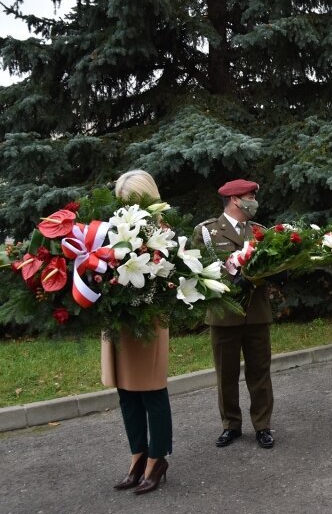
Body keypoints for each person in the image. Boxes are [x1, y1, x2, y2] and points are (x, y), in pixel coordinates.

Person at [193, 179, 275, 449]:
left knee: (260, 373)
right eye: (250, 195)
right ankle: (231, 425)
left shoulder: (260, 231)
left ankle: (262, 426)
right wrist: (230, 281)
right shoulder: (206, 232)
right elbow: (198, 271)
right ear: (236, 199)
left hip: (257, 314)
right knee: (225, 375)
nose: (254, 200)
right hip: (224, 315)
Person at [105, 170, 172, 494]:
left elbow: (165, 279)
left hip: (147, 321)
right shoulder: (113, 230)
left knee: (150, 390)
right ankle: (138, 455)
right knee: (126, 391)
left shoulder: (162, 231)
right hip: (119, 321)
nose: (126, 208)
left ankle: (157, 459)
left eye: (130, 201)